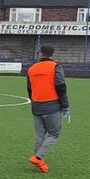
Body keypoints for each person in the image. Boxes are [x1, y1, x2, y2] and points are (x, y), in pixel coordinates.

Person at [26, 43, 68, 172]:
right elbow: (61, 86)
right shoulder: (55, 67)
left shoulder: (32, 68)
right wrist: (65, 105)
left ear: (40, 54)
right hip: (51, 105)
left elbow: (29, 88)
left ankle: (39, 161)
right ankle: (38, 157)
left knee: (39, 135)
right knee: (54, 134)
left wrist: (34, 101)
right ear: (53, 54)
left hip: (36, 105)